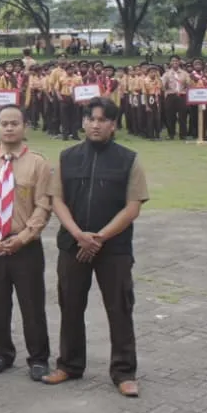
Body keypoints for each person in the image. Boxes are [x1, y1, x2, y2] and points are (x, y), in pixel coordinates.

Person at [43, 97, 148, 397]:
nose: (95, 124)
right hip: (72, 245)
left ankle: (124, 372)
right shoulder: (67, 157)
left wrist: (99, 237)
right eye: (91, 119)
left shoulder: (129, 159)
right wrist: (79, 235)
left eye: (103, 120)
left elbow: (132, 207)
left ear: (113, 125)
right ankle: (69, 365)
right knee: (71, 305)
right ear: (83, 122)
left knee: (119, 308)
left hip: (113, 249)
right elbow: (57, 200)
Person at [0, 104, 53, 381]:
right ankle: (2, 353)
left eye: (14, 123)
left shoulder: (38, 164)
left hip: (25, 244)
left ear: (24, 127)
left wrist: (24, 238)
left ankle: (38, 358)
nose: (9, 128)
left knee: (32, 304)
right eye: (4, 123)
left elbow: (43, 206)